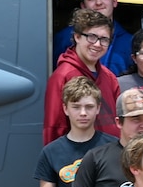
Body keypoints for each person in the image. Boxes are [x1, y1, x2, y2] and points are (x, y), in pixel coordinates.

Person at [43, 8, 121, 144]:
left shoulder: (110, 77)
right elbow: (54, 127)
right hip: (77, 162)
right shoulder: (62, 76)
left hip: (109, 159)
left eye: (104, 39)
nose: (97, 44)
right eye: (91, 37)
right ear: (77, 37)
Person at [50, 0, 134, 76]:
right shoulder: (65, 37)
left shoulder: (130, 41)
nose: (98, 2)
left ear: (114, 2)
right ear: (83, 6)